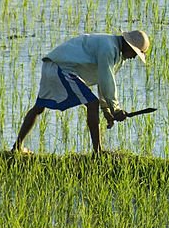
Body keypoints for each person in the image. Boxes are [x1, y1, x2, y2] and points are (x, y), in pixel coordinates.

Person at [13, 30, 151, 154]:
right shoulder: (109, 48)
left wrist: (107, 111)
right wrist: (115, 109)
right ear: (128, 45)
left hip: (53, 65)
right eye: (135, 53)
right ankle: (97, 152)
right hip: (61, 68)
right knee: (92, 103)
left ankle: (17, 147)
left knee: (39, 107)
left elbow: (104, 79)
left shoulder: (113, 49)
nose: (133, 57)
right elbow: (107, 80)